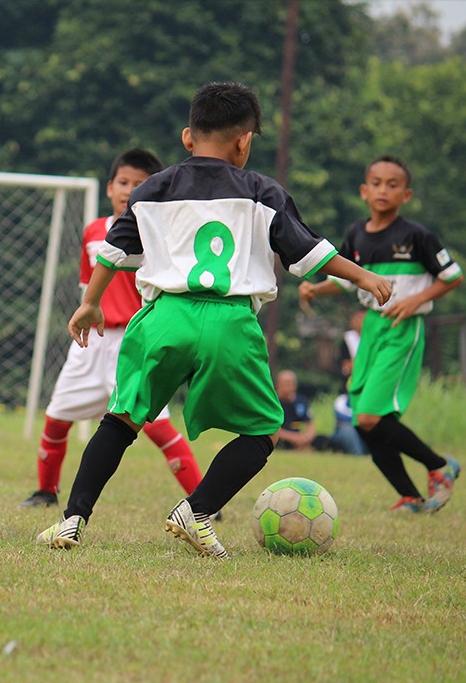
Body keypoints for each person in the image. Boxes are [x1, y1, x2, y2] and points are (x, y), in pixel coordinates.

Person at [36, 81, 391, 557]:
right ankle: (197, 510)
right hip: (230, 321)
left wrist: (90, 302)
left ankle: (72, 520)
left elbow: (113, 251)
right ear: (245, 141)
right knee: (264, 429)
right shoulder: (263, 192)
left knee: (120, 420)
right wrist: (363, 276)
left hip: (163, 316)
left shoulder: (152, 189)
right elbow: (309, 253)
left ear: (188, 137)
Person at [20, 149, 204, 509]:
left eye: (139, 185)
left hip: (135, 340)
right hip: (92, 343)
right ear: (109, 188)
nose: (128, 190)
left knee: (156, 425)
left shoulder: (159, 236)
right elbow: (87, 285)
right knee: (57, 416)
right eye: (123, 182)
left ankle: (202, 499)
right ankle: (46, 492)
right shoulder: (93, 231)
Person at [300, 155, 462, 513]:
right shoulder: (356, 235)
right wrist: (314, 289)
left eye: (392, 184)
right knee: (362, 421)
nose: (383, 190)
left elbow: (452, 276)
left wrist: (416, 300)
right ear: (364, 190)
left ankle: (439, 466)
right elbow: (344, 281)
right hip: (372, 328)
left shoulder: (417, 236)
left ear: (406, 194)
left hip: (402, 328)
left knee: (372, 416)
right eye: (376, 183)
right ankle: (411, 496)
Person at [330, 309, 368, 455]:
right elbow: (346, 367)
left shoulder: (374, 339)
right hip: (351, 388)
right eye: (358, 318)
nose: (361, 322)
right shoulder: (347, 340)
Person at [274, 369, 332, 452]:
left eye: (291, 383)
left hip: (299, 436)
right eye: (286, 383)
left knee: (323, 440)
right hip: (281, 437)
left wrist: (307, 437)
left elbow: (310, 423)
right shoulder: (273, 402)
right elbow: (271, 428)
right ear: (278, 384)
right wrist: (293, 438)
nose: (289, 385)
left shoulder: (302, 401)